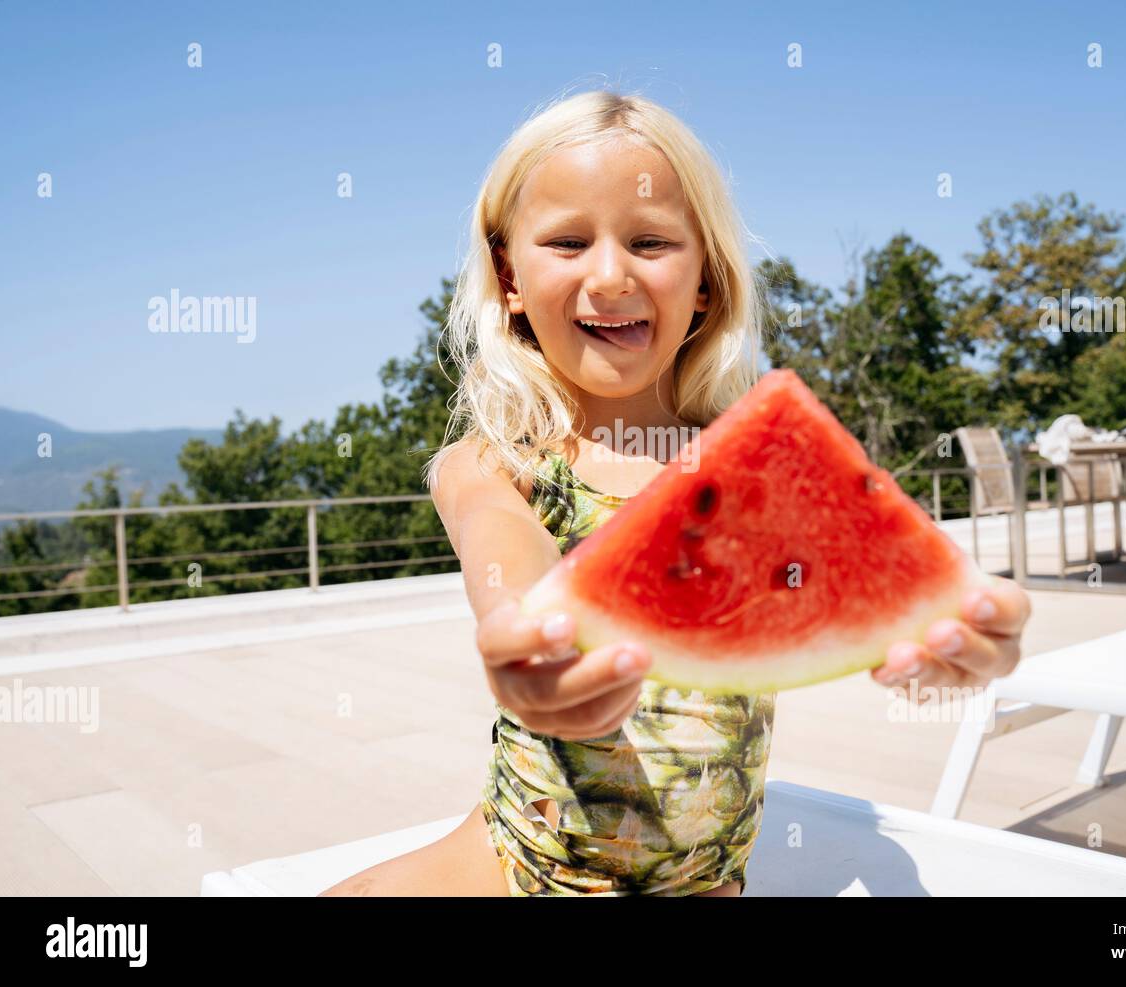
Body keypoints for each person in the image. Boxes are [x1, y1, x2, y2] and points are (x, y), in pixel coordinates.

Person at [320, 89, 1031, 897]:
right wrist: (525, 635)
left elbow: (876, 593)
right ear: (509, 277)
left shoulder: (756, 478)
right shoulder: (491, 462)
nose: (612, 273)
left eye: (651, 241)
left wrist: (946, 639)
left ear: (705, 283)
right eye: (568, 241)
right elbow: (503, 547)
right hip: (511, 865)